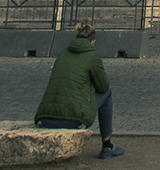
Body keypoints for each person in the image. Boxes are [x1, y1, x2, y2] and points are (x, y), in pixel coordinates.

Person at [34, 21, 123, 158]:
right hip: (69, 118)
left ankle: (107, 147)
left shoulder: (62, 53)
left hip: (45, 116)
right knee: (107, 93)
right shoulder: (92, 55)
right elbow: (103, 86)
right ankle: (107, 146)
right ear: (93, 41)